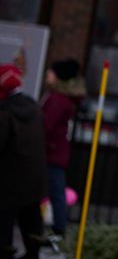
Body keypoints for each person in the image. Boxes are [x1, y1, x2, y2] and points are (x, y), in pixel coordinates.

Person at [0, 64, 48, 259]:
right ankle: (33, 254)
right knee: (31, 222)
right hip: (34, 177)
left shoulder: (4, 112)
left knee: (3, 222)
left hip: (8, 179)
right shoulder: (33, 107)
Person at [41, 58, 85, 238]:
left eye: (51, 72)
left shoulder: (58, 100)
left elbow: (45, 126)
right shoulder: (59, 97)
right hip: (54, 151)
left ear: (58, 76)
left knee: (56, 190)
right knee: (54, 190)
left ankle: (59, 227)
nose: (47, 74)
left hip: (51, 152)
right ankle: (57, 226)